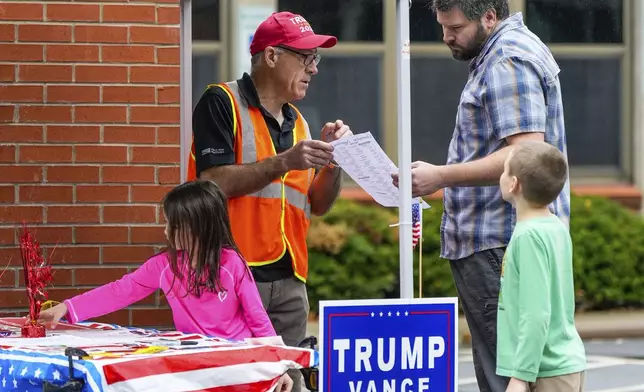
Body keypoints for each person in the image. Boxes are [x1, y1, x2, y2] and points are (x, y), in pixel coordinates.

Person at [392, 1, 570, 391]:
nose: (446, 37)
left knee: (507, 377)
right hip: (499, 240)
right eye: (442, 26)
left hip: (498, 242)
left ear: (489, 16)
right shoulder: (507, 51)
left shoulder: (507, 60)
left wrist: (441, 176)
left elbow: (524, 155)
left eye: (455, 27)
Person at [186, 11, 351, 392]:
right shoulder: (221, 101)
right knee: (235, 381)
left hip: (290, 280)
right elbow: (211, 182)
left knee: (289, 382)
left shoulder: (301, 124)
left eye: (316, 60)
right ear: (272, 56)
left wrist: (337, 160)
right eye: (306, 58)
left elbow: (318, 204)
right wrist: (284, 162)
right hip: (229, 275)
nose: (314, 69)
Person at [39, 180, 294, 392]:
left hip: (237, 364)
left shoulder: (232, 264)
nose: (165, 231)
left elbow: (258, 318)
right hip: (195, 364)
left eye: (172, 225)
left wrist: (278, 365)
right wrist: (67, 307)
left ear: (197, 227)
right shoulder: (163, 266)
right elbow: (120, 291)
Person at [497, 141, 586, 392]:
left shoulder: (528, 237)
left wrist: (520, 375)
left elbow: (536, 313)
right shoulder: (555, 226)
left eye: (504, 171)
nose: (501, 176)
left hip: (545, 370)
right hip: (564, 364)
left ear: (513, 184)